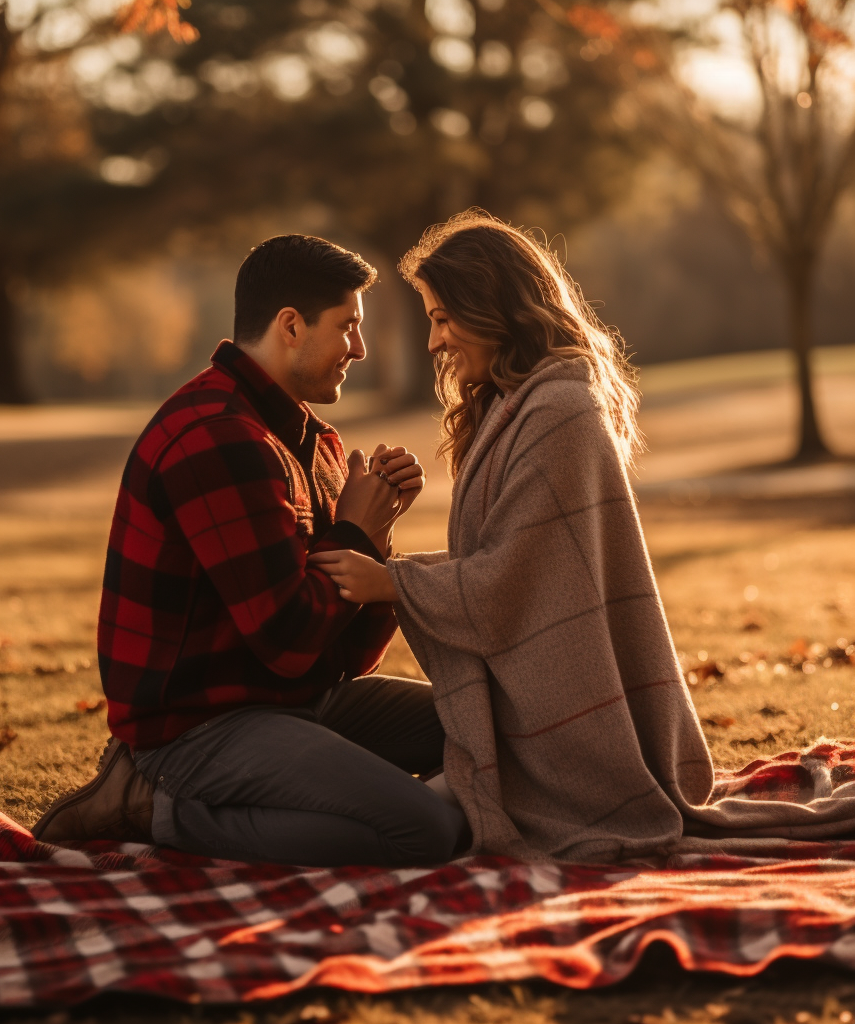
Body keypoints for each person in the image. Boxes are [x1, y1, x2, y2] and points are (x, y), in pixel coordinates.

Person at [310, 209, 855, 862]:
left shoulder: (559, 411)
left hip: (573, 747)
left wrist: (390, 581)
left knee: (421, 826)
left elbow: (510, 583)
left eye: (441, 316)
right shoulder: (518, 404)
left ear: (492, 305)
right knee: (407, 809)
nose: (434, 342)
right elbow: (511, 563)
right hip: (538, 722)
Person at [32, 233, 467, 867]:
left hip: (296, 701)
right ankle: (153, 805)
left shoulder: (315, 443)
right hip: (198, 728)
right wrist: (351, 531)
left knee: (484, 729)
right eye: (347, 327)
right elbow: (289, 641)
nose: (360, 348)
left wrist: (374, 533)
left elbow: (345, 657)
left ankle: (336, 797)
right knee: (425, 832)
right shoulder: (216, 436)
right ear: (291, 325)